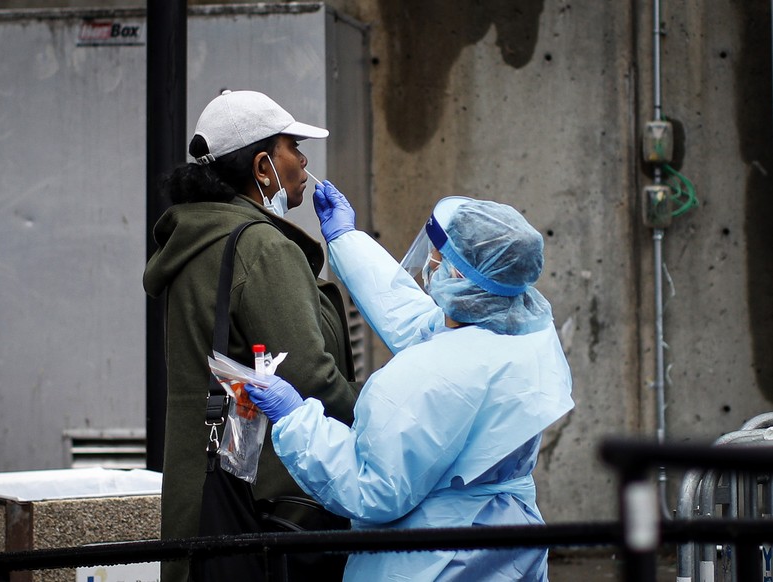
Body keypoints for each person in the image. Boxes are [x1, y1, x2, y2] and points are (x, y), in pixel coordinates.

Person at [245, 186, 575, 581]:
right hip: (507, 541)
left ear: (456, 274)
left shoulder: (433, 375)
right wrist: (347, 241)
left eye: (436, 254)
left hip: (436, 559)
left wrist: (296, 419)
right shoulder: (522, 331)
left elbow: (371, 488)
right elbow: (415, 320)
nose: (428, 263)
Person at [143, 90, 360, 582]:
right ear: (264, 167)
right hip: (271, 515)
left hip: (205, 503)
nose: (304, 161)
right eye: (292, 147)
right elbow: (313, 379)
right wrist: (387, 405)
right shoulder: (262, 248)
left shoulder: (197, 241)